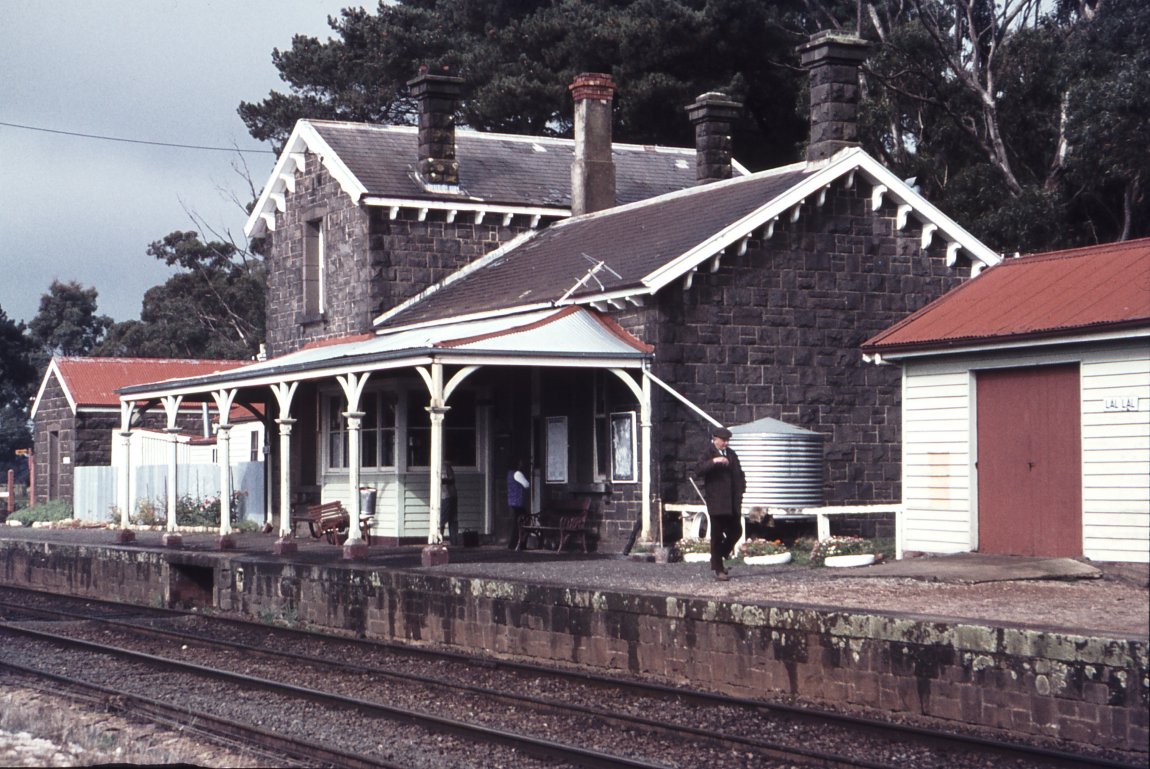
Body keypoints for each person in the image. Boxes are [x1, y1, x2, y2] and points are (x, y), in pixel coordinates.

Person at [694, 426, 745, 581]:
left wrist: (741, 491)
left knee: (736, 531)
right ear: (715, 439)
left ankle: (718, 556)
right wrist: (714, 461)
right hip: (717, 502)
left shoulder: (732, 455)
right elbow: (698, 470)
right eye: (723, 440)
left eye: (727, 440)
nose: (726, 443)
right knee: (716, 535)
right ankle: (718, 569)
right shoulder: (708, 453)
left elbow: (740, 475)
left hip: (732, 502)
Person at [506, 459, 530, 549]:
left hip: (512, 501)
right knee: (522, 522)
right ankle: (520, 543)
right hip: (518, 501)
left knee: (517, 523)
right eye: (520, 462)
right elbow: (526, 484)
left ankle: (514, 544)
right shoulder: (517, 474)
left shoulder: (509, 474)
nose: (521, 464)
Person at [439, 461, 459, 546]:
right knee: (452, 519)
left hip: (446, 496)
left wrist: (438, 480)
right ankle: (454, 541)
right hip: (452, 495)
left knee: (441, 519)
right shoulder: (448, 467)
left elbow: (449, 480)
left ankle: (438, 539)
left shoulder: (443, 467)